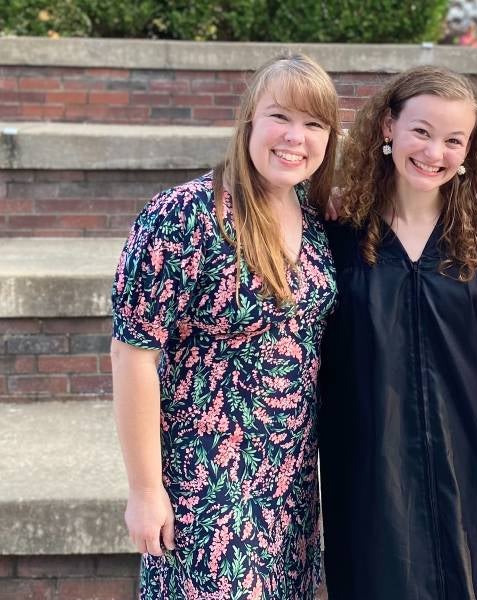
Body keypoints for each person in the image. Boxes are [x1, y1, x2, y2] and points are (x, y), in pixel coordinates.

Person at [110, 53, 340, 599]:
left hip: (290, 481)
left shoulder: (314, 215)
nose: (295, 137)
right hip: (206, 480)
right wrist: (145, 490)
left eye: (314, 124)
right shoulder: (186, 215)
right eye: (281, 117)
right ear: (249, 122)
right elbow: (132, 354)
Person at [318, 65, 477, 600]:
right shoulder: (338, 231)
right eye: (422, 132)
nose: (435, 152)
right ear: (389, 127)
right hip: (372, 466)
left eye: (453, 140)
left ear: (469, 151)